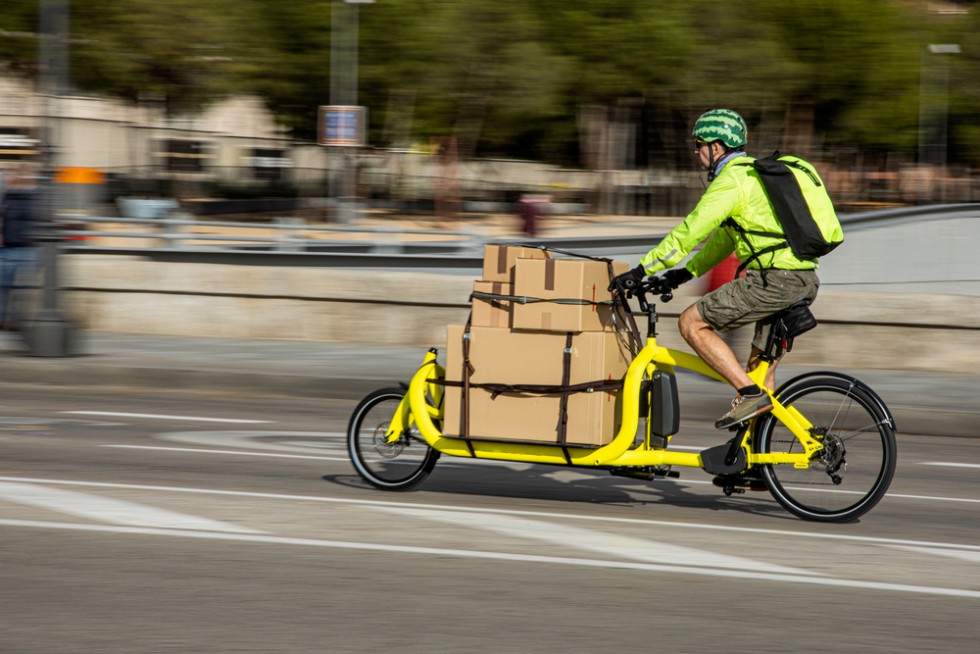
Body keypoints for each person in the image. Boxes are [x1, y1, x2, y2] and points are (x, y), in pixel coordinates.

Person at [613, 109, 821, 430]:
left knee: (691, 323)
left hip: (774, 281)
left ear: (718, 147)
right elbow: (725, 238)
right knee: (759, 369)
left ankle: (749, 394)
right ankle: (757, 463)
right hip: (802, 279)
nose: (696, 151)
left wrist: (642, 271)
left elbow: (690, 231)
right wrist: (685, 273)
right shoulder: (753, 176)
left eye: (699, 144)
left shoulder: (732, 180)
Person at [0, 165, 39, 331]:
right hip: (8, 248)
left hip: (28, 249)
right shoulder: (7, 196)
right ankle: (3, 320)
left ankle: (17, 321)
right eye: (18, 173)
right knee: (3, 288)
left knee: (23, 290)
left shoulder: (35, 196)